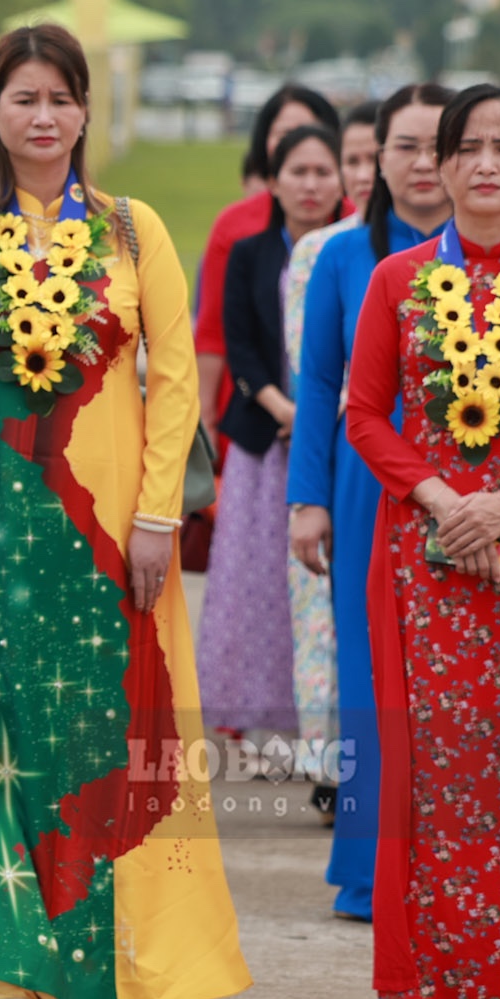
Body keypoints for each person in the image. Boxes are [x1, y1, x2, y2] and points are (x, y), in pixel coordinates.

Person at [0, 23, 251, 999]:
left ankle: (111, 956)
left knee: (102, 730)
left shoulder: (132, 230)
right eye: (22, 98)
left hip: (110, 532)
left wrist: (156, 515)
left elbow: (176, 381)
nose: (41, 116)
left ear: (84, 110)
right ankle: (9, 960)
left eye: (58, 97)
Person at [345, 84, 500, 999]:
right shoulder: (396, 280)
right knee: (436, 766)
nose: (482, 163)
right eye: (465, 145)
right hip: (427, 564)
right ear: (439, 162)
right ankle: (440, 982)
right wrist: (441, 501)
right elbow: (361, 412)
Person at [289, 83, 455, 922]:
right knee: (372, 672)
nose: (424, 164)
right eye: (406, 147)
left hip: (473, 490)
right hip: (365, 488)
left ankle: (463, 859)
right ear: (376, 158)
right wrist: (305, 498)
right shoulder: (342, 259)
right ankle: (371, 868)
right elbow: (319, 381)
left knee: (462, 673)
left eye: (440, 146)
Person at [199, 126, 346, 737]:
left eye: (323, 171)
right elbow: (239, 345)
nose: (311, 185)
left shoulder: (355, 251)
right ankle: (258, 719)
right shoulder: (251, 252)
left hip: (340, 436)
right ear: (273, 181)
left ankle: (324, 720)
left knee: (325, 583)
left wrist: (322, 414)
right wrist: (286, 410)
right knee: (254, 584)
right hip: (265, 439)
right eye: (298, 172)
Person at [282, 102, 378, 783]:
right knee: (324, 617)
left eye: (379, 157)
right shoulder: (323, 248)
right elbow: (309, 367)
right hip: (344, 446)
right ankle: (329, 766)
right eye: (356, 160)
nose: (368, 172)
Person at [195, 86, 343, 442]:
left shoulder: (356, 228)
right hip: (256, 412)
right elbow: (215, 329)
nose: (301, 142)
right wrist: (204, 417)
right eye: (285, 135)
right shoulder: (236, 226)